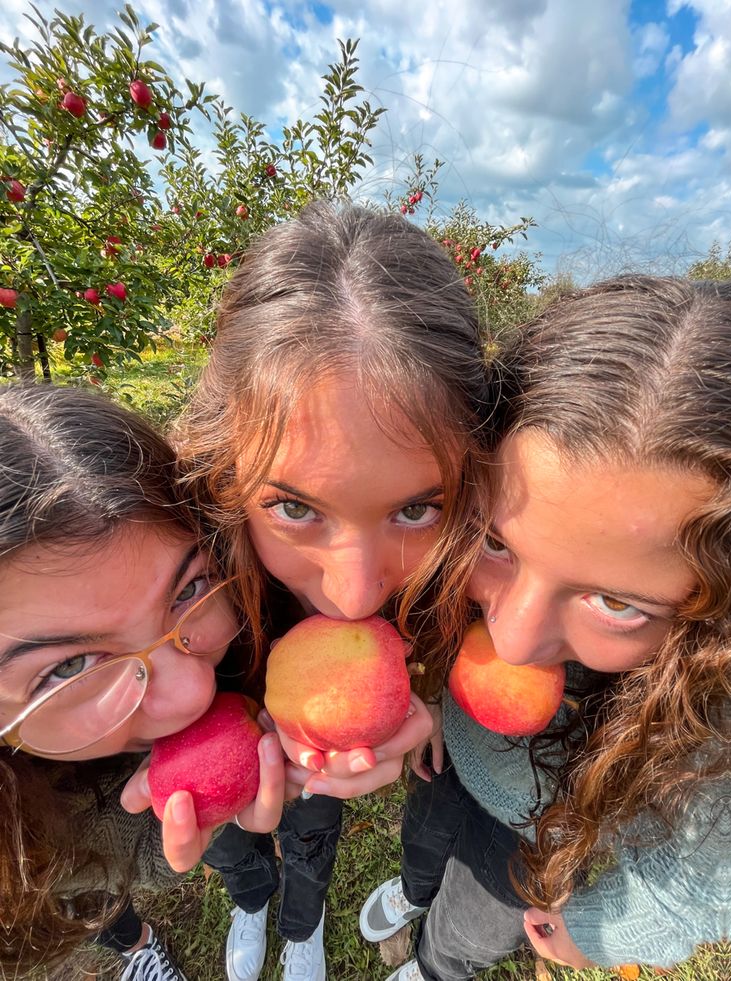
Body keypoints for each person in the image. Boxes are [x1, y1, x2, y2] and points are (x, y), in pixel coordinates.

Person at [360, 275, 731, 979]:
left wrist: (589, 930)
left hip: (527, 838)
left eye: (615, 602)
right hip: (452, 758)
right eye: (497, 543)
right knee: (425, 839)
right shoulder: (458, 571)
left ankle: (431, 966)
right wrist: (439, 694)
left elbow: (701, 889)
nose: (513, 641)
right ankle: (413, 891)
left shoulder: (717, 717)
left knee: (465, 932)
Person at [167, 201, 496, 981]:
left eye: (416, 508)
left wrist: (439, 682)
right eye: (293, 507)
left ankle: (304, 919)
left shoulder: (477, 565)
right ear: (224, 477)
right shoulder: (169, 580)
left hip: (318, 746)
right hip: (202, 757)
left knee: (311, 817)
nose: (353, 596)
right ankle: (252, 898)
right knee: (224, 835)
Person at [0, 384, 285, 981]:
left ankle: (263, 902)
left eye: (188, 590)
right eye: (69, 667)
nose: (194, 695)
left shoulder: (254, 607)